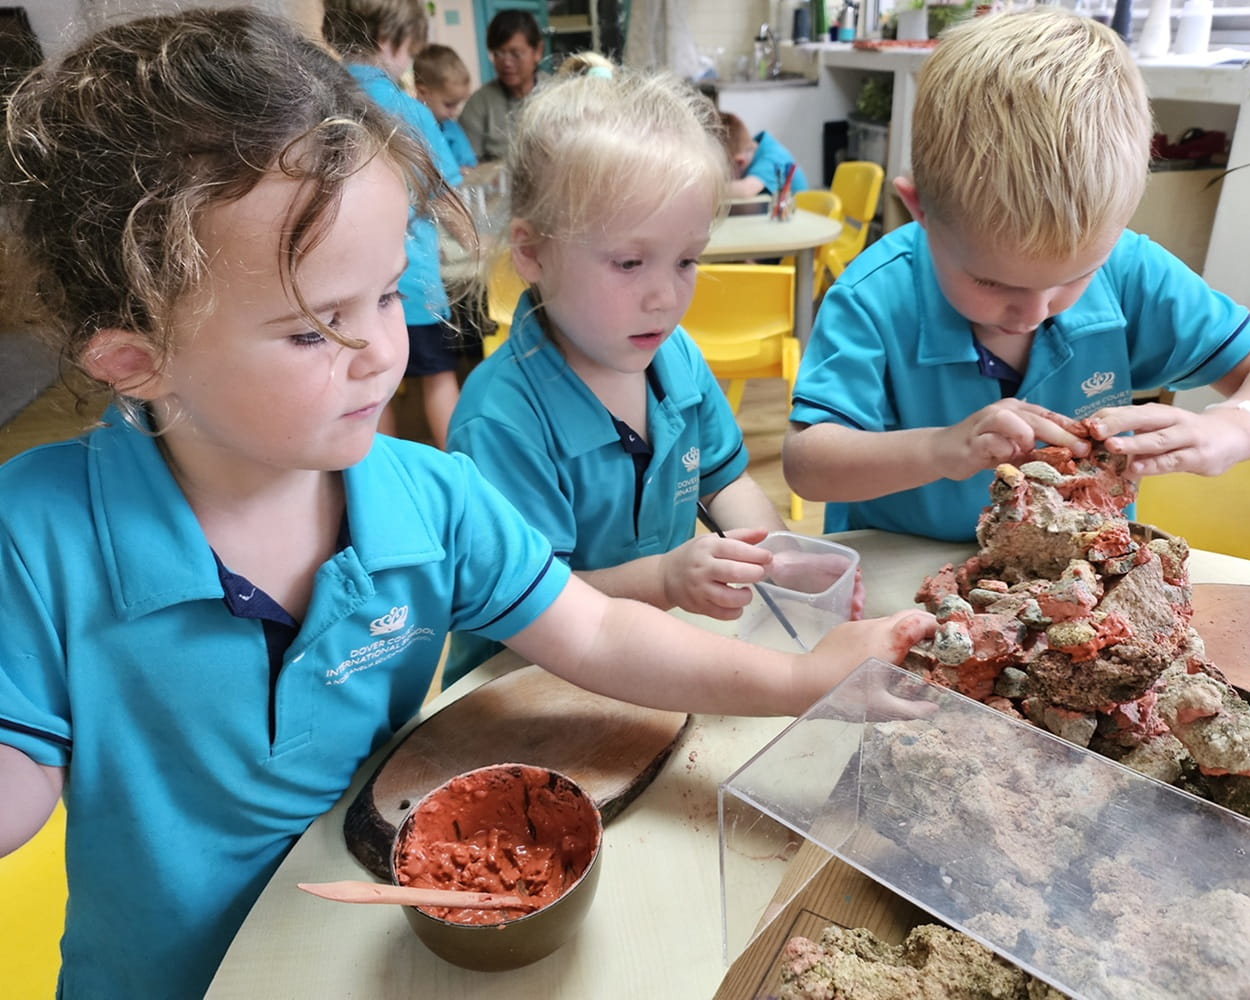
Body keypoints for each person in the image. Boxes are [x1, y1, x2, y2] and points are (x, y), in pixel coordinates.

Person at [0, 11, 932, 999]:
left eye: (385, 297)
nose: (381, 352)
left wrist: (804, 680)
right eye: (315, 329)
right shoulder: (38, 535)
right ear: (135, 360)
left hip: (377, 955)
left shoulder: (431, 499)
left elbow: (598, 633)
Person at [783, 8, 1250, 544]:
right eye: (992, 282)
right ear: (919, 209)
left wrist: (1236, 427)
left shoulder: (1128, 270)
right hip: (902, 572)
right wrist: (941, 449)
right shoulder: (874, 296)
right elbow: (808, 466)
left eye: (1077, 276)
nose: (1034, 312)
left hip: (1079, 574)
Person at [443, 53, 818, 680]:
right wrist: (667, 578)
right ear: (532, 252)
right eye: (628, 263)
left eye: (686, 261)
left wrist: (782, 567)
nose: (665, 297)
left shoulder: (677, 358)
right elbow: (538, 612)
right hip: (521, 689)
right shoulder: (501, 420)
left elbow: (725, 484)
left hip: (647, 662)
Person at [323, 0, 473, 448]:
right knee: (439, 380)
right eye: (409, 51)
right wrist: (478, 245)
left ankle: (376, 475)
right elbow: (446, 200)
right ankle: (459, 469)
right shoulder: (408, 110)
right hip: (413, 286)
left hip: (343, 288)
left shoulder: (318, 100)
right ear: (389, 40)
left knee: (371, 389)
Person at [458, 9, 545, 162]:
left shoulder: (556, 94)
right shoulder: (479, 104)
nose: (506, 63)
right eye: (498, 54)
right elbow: (467, 167)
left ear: (537, 51)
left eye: (516, 54)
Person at [412, 42, 479, 172]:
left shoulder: (452, 128)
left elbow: (471, 164)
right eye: (449, 104)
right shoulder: (411, 129)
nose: (454, 112)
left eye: (457, 104)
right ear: (422, 92)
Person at [720, 111, 809, 199]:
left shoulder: (772, 156)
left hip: (800, 207)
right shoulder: (754, 148)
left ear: (740, 162)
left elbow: (746, 190)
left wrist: (712, 187)